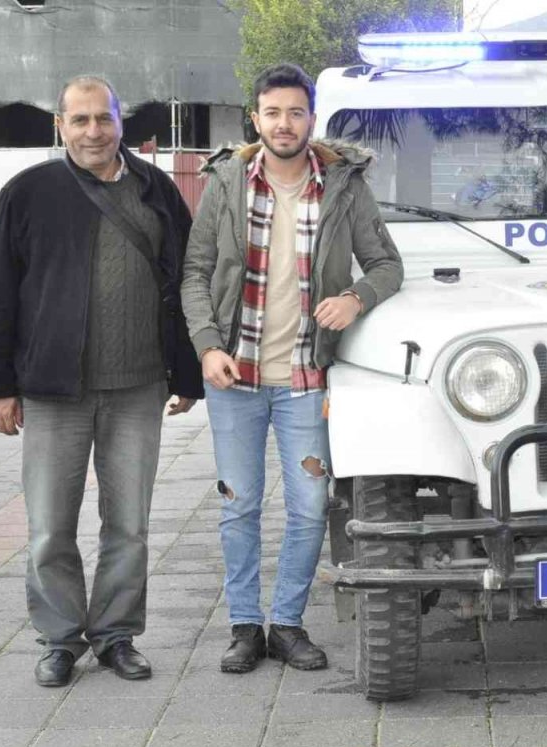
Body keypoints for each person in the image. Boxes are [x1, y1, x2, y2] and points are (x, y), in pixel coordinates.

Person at [0, 76, 203, 687]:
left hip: (137, 390)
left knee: (129, 523)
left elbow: (182, 283)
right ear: (61, 126)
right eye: (80, 121)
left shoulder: (156, 189)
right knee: (51, 526)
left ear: (121, 123)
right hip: (53, 391)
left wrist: (187, 372)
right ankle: (58, 638)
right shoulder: (27, 193)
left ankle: (116, 635)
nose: (93, 131)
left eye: (103, 119)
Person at [181, 63, 403, 673]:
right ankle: (245, 627)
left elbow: (386, 265)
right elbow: (196, 273)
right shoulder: (227, 181)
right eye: (272, 112)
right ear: (256, 118)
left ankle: (287, 623)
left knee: (309, 507)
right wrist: (206, 345)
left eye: (296, 112)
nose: (284, 123)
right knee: (239, 505)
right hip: (236, 377)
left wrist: (356, 298)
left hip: (307, 379)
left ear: (311, 118)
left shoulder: (341, 186)